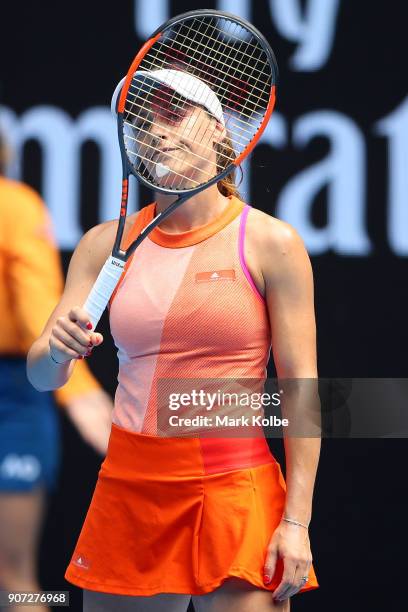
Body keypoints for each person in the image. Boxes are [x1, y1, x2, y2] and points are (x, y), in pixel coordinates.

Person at [27, 70, 321, 612]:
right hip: (131, 488)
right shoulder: (99, 247)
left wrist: (296, 521)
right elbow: (41, 375)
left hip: (236, 487)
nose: (154, 129)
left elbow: (301, 390)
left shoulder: (272, 243)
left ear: (215, 130)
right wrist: (55, 351)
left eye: (172, 112)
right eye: (141, 120)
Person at [0, 132, 113, 612]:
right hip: (21, 397)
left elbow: (37, 311)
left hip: (15, 397)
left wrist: (77, 391)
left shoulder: (14, 206)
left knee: (15, 581)